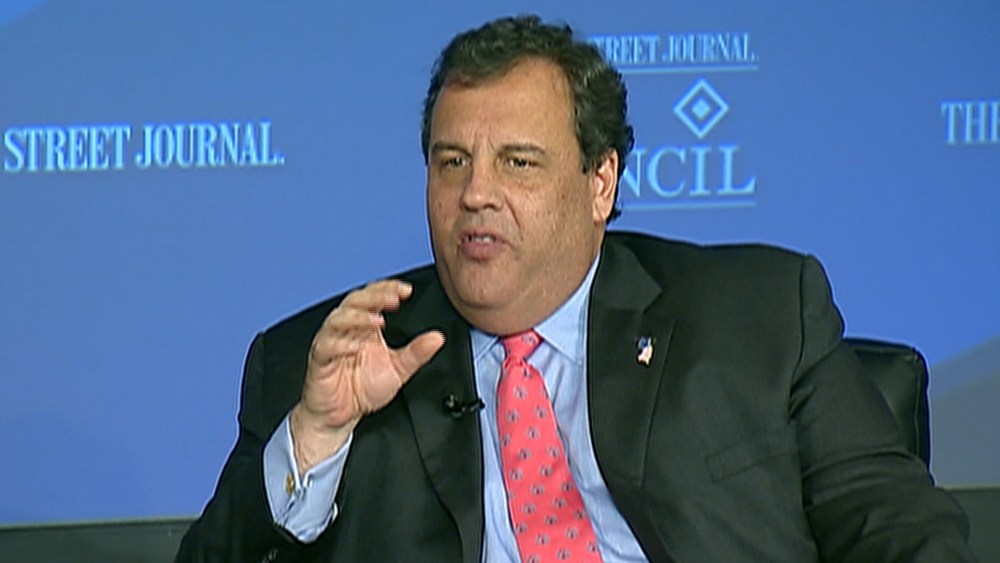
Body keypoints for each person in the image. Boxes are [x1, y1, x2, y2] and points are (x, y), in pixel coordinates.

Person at [176, 15, 974, 563]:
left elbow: (901, 529)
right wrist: (316, 435)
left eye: (517, 163)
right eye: (452, 162)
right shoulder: (333, 359)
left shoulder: (762, 312)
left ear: (600, 183)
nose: (475, 194)